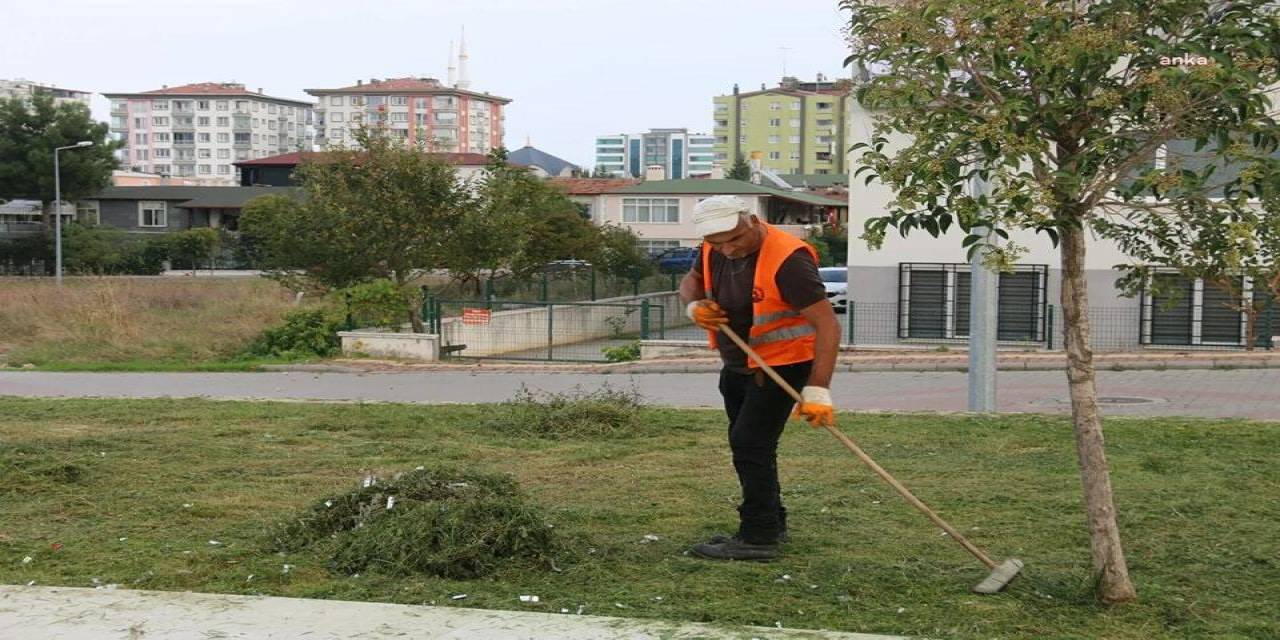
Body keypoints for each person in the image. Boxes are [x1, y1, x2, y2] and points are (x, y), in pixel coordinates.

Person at [679, 195, 841, 561]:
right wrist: (693, 305)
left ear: (751, 220)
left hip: (782, 366)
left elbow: (828, 325)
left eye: (734, 239)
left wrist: (818, 389)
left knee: (750, 445)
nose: (728, 250)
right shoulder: (712, 248)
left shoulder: (789, 260)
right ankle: (771, 520)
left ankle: (759, 535)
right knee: (750, 446)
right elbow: (691, 280)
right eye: (717, 243)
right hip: (738, 363)